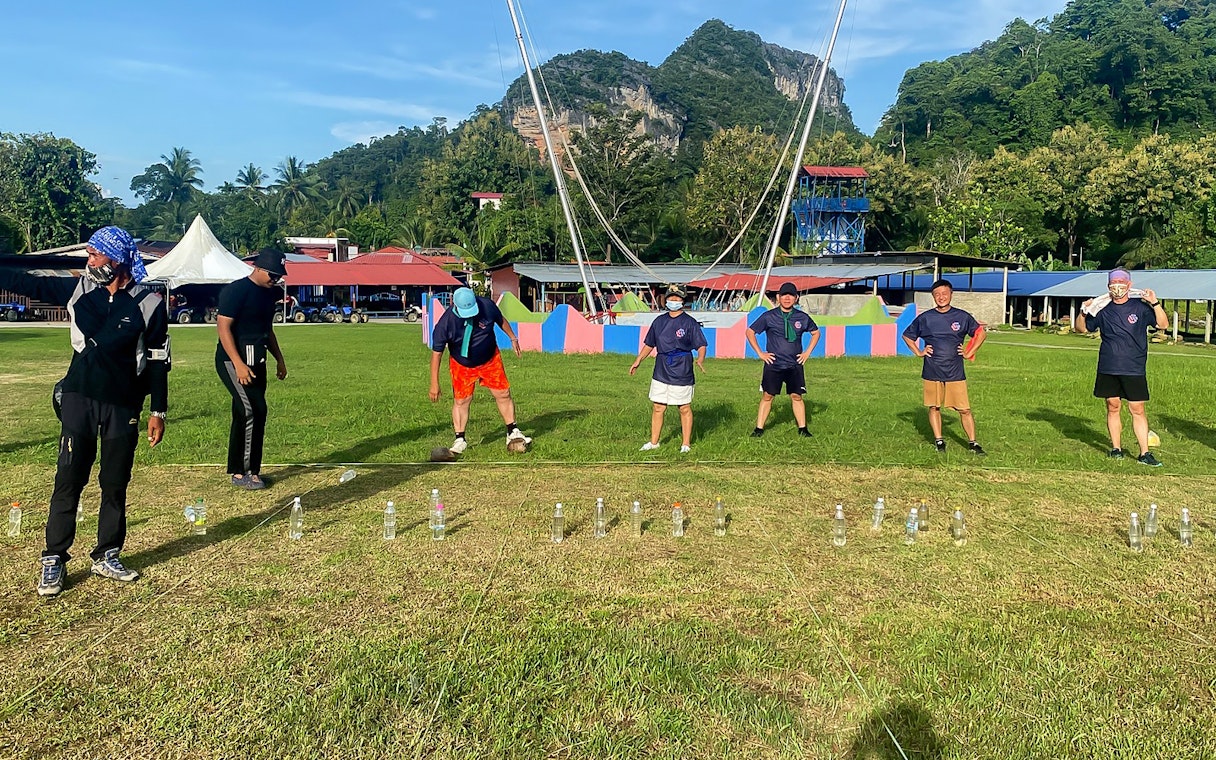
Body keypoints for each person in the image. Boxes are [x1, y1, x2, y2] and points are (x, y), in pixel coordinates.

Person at [0, 226, 170, 597]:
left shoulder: (150, 302)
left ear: (118, 259)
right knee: (69, 478)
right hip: (79, 396)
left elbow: (159, 359)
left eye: (95, 254)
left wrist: (158, 409)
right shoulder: (80, 289)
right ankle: (54, 557)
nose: (89, 261)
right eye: (88, 254)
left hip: (123, 402)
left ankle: (107, 554)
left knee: (115, 482)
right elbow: (30, 284)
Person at [1075, 269, 1168, 466]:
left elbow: (1162, 324)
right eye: (1113, 282)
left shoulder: (1140, 307)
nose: (1117, 286)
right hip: (1108, 366)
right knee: (1113, 405)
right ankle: (1116, 449)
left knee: (1137, 408)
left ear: (1129, 284)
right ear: (1108, 285)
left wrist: (1155, 303)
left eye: (1121, 282)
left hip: (1134, 367)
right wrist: (1083, 311)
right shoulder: (1102, 308)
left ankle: (1144, 453)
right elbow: (1081, 328)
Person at [216, 248, 289, 490]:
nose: (275, 279)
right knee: (253, 410)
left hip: (257, 360)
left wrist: (279, 359)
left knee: (246, 412)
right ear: (257, 268)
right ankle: (248, 472)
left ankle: (239, 470)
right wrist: (238, 364)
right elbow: (223, 328)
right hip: (233, 361)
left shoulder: (269, 295)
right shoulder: (236, 291)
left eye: (279, 276)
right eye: (272, 274)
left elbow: (267, 330)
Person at [429, 286, 531, 453]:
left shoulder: (486, 306)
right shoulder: (445, 324)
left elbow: (500, 319)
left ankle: (512, 431)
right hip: (462, 364)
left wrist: (513, 337)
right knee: (461, 401)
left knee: (503, 393)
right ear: (455, 306)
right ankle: (460, 439)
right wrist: (434, 384)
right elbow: (436, 355)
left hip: (490, 359)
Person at [901, 279, 987, 454]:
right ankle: (939, 441)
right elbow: (907, 336)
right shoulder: (926, 318)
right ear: (933, 297)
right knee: (934, 407)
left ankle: (973, 443)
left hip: (955, 371)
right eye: (937, 294)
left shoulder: (962, 316)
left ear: (951, 294)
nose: (941, 297)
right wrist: (919, 352)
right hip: (932, 370)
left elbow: (980, 333)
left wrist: (969, 352)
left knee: (965, 409)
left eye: (944, 294)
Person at [629, 284, 708, 453]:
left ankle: (685, 444)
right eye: (671, 297)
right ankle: (654, 442)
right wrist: (638, 360)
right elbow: (649, 344)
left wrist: (700, 359)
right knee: (658, 406)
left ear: (683, 300)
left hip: (682, 367)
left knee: (683, 407)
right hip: (662, 367)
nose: (674, 300)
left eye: (677, 298)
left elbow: (701, 345)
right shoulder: (659, 321)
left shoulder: (690, 323)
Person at [745, 281, 821, 437]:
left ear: (796, 298)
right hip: (774, 363)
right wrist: (760, 353)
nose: (787, 298)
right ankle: (759, 429)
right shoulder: (769, 316)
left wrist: (807, 353)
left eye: (791, 295)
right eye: (784, 295)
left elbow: (816, 333)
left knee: (796, 396)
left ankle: (803, 429)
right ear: (778, 297)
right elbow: (750, 332)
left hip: (795, 364)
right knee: (768, 395)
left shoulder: (802, 317)